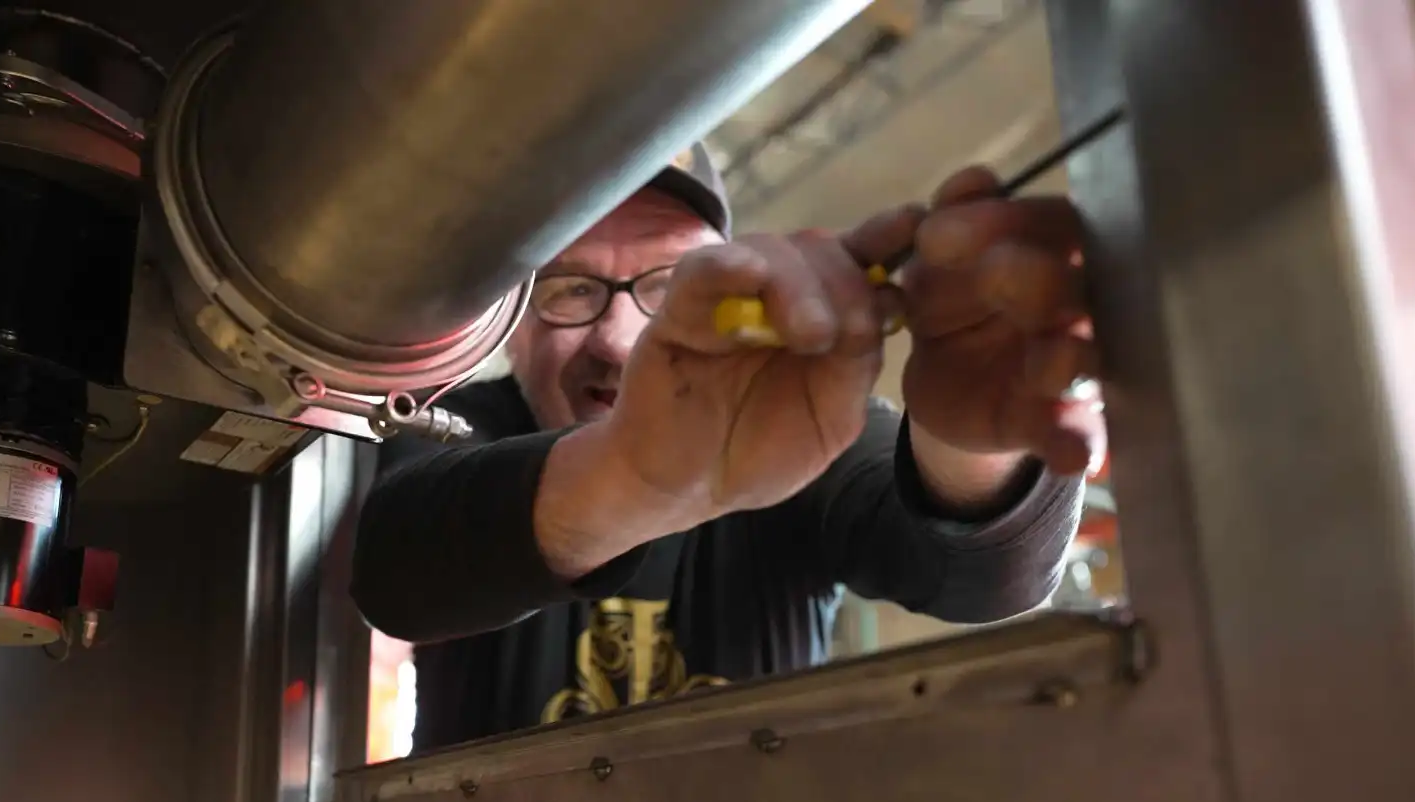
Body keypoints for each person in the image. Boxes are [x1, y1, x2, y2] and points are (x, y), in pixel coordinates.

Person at [352, 145, 1101, 753]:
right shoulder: (455, 426)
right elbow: (392, 566)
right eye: (570, 290)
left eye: (668, 284)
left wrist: (972, 445)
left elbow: (980, 579)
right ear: (509, 325)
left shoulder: (796, 419)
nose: (615, 342)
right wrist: (633, 476)